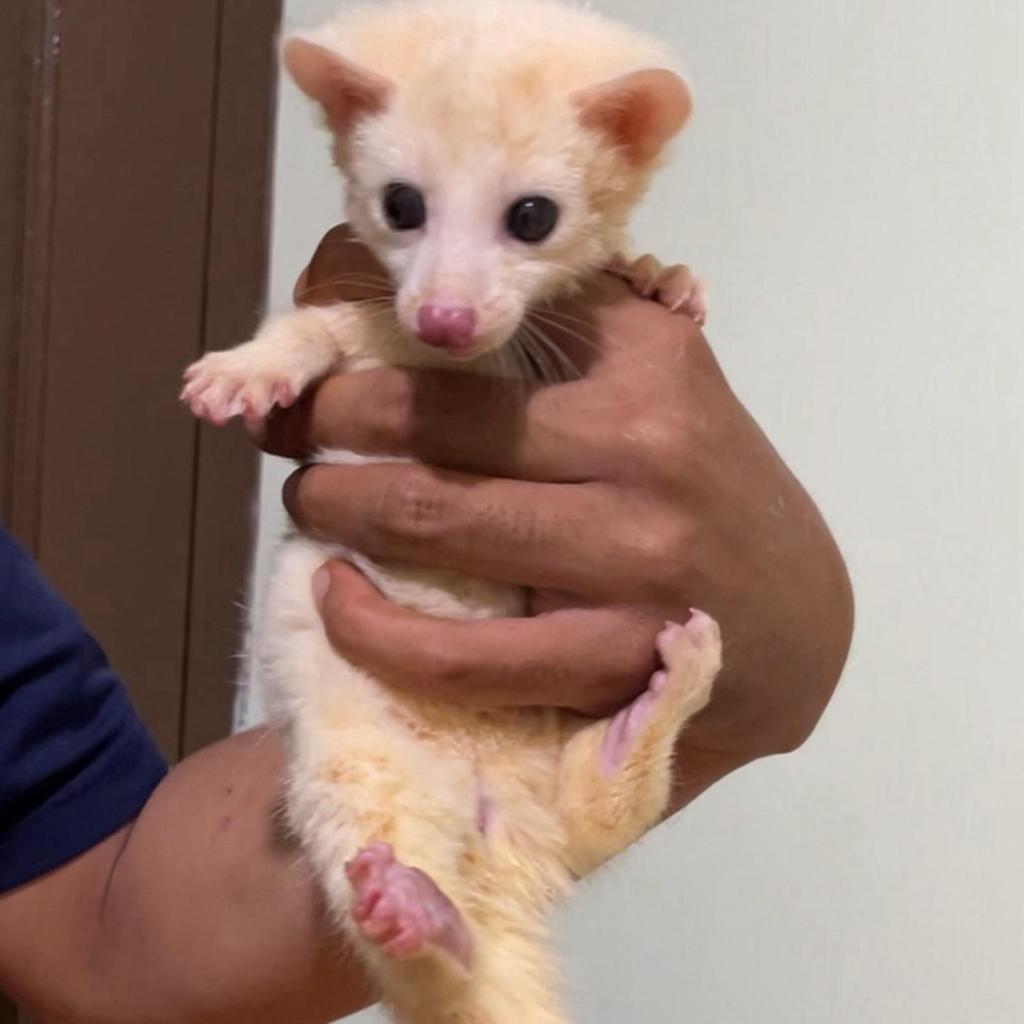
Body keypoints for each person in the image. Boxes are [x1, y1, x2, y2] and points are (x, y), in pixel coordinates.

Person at [0, 226, 853, 1024]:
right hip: (413, 751)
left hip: (491, 758)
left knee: (455, 824)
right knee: (375, 817)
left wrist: (735, 697)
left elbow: (102, 916)